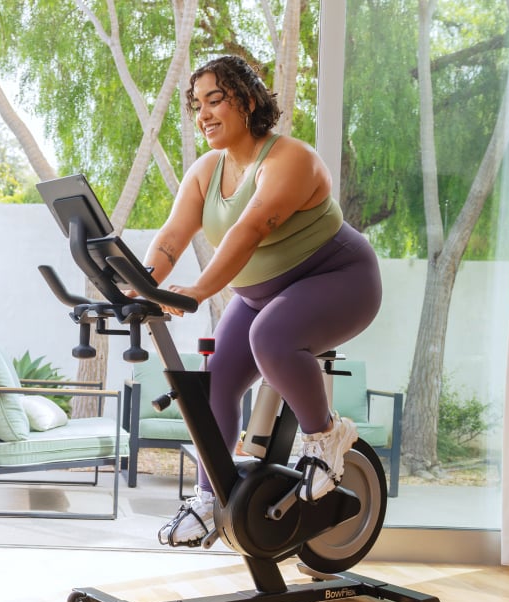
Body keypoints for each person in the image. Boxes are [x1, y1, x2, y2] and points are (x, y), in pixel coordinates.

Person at [145, 56, 383, 547]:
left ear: (248, 101)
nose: (204, 114)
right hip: (262, 294)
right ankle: (212, 498)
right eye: (197, 105)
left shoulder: (289, 159)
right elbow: (171, 238)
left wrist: (198, 290)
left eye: (216, 100)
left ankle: (326, 437)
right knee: (216, 386)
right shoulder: (206, 170)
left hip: (342, 280)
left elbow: (249, 229)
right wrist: (144, 285)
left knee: (270, 338)